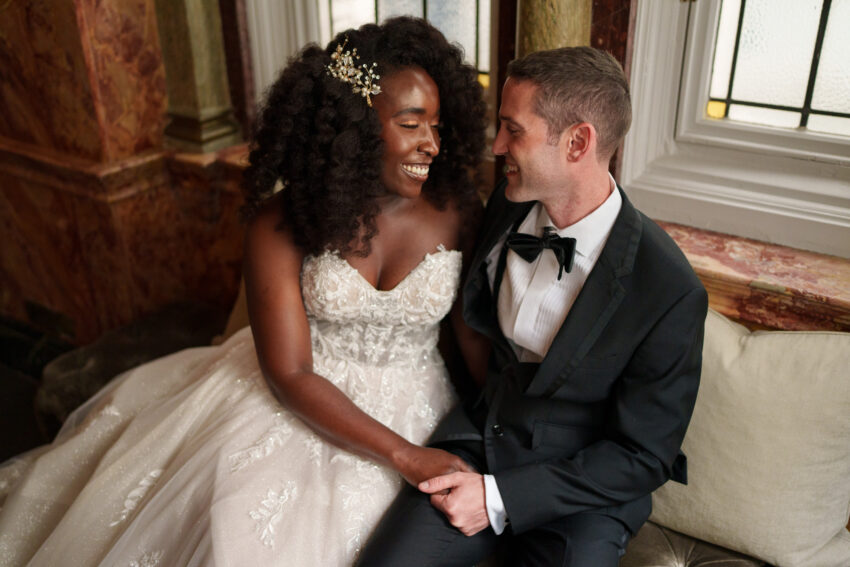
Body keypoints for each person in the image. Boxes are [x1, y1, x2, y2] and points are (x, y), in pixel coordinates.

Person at [0, 17, 489, 566]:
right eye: (411, 123)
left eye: (437, 126)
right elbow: (291, 373)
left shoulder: (459, 211)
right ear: (354, 126)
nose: (431, 144)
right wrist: (405, 456)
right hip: (298, 396)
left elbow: (475, 343)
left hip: (420, 402)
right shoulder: (282, 221)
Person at [358, 46, 709, 566]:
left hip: (582, 494)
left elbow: (642, 455)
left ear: (577, 142)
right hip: (479, 443)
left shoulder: (668, 289)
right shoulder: (505, 204)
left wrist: (498, 498)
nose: (496, 146)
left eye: (513, 130)